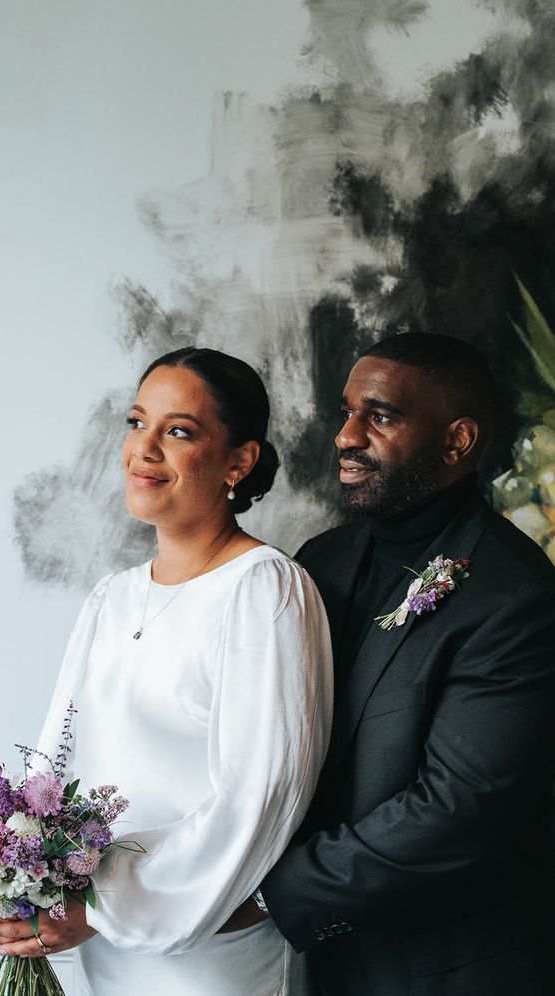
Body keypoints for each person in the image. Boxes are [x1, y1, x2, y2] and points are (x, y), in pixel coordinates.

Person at [0, 347, 334, 996]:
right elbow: (51, 768)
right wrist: (15, 872)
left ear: (240, 460)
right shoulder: (110, 599)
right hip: (100, 948)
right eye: (137, 422)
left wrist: (104, 907)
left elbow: (255, 802)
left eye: (178, 431)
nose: (143, 448)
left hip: (213, 953)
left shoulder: (265, 592)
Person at [261, 332, 555, 995]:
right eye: (347, 411)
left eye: (381, 415)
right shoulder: (320, 560)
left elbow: (459, 808)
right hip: (318, 964)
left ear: (458, 442)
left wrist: (274, 892)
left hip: (448, 970)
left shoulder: (515, 598)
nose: (345, 435)